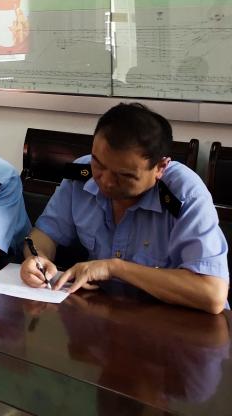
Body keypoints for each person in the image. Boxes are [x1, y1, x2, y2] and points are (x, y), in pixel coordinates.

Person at [20, 103, 228, 314]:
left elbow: (212, 294)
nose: (106, 181)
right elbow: (44, 234)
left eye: (125, 175)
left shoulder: (184, 194)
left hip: (176, 322)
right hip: (104, 314)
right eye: (99, 164)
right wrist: (37, 259)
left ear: (160, 168)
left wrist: (114, 268)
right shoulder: (81, 176)